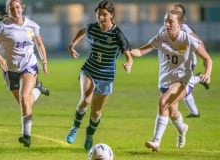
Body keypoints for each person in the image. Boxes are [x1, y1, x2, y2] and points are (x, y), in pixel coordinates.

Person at [131, 9, 212, 151]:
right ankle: (182, 129)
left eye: (170, 21)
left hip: (183, 81)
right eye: (165, 21)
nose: (167, 24)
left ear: (180, 24)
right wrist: (131, 52)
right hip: (165, 81)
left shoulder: (187, 39)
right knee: (172, 112)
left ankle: (156, 141)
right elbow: (142, 50)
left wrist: (207, 73)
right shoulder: (161, 37)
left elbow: (207, 58)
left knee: (163, 102)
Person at [66, 0, 133, 151]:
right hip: (89, 69)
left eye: (104, 15)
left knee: (96, 112)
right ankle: (75, 128)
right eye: (98, 14)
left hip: (106, 75)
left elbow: (128, 54)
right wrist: (72, 45)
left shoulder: (117, 34)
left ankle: (89, 134)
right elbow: (83, 31)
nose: (101, 18)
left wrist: (129, 63)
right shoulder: (93, 28)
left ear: (111, 15)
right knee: (85, 99)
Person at [0, 0, 49, 148]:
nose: (15, 10)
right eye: (11, 8)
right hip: (9, 70)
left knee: (24, 97)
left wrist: (44, 62)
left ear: (22, 8)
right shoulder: (1, 27)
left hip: (29, 66)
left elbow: (39, 44)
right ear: (8, 10)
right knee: (24, 103)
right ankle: (38, 90)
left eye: (17, 7)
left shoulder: (32, 25)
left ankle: (26, 137)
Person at [158, 3, 209, 118]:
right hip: (173, 63)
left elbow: (199, 42)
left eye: (178, 12)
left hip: (187, 61)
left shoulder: (185, 28)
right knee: (181, 90)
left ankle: (200, 79)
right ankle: (194, 112)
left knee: (182, 88)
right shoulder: (165, 26)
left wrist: (204, 57)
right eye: (174, 10)